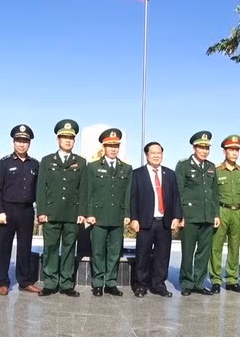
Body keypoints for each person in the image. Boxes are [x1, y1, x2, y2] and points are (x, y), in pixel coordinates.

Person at [37, 120, 87, 297]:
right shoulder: (47, 161)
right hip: (51, 213)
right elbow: (41, 188)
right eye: (64, 137)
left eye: (71, 138)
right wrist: (41, 211)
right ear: (58, 139)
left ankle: (66, 284)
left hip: (72, 214)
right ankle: (50, 283)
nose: (68, 140)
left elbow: (83, 189)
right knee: (50, 248)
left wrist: (82, 212)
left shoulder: (80, 162)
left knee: (69, 249)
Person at [129, 142, 183, 298]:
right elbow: (132, 198)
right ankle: (141, 285)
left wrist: (176, 217)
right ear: (147, 155)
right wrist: (134, 218)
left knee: (162, 255)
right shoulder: (137, 174)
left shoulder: (170, 174)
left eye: (159, 153)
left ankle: (158, 284)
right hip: (145, 221)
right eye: (153, 153)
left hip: (164, 221)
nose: (156, 155)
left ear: (162, 154)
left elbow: (176, 197)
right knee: (142, 255)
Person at [0, 124, 41, 295]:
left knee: (24, 247)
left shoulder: (35, 165)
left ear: (29, 144)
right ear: (13, 142)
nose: (22, 144)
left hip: (27, 211)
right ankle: (2, 282)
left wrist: (39, 211)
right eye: (19, 141)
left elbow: (38, 191)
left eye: (25, 141)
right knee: (3, 247)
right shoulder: (4, 163)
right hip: (7, 210)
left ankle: (24, 281)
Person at [84, 128, 132, 297]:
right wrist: (89, 213)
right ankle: (98, 283)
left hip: (117, 217)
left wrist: (127, 214)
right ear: (103, 147)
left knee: (114, 251)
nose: (113, 149)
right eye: (110, 146)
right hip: (98, 216)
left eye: (116, 146)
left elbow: (127, 194)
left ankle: (111, 282)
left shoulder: (126, 168)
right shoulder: (93, 167)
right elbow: (88, 192)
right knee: (97, 250)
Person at [175, 131, 219, 296]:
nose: (204, 151)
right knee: (188, 251)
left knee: (204, 252)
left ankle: (199, 283)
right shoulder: (184, 165)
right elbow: (178, 191)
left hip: (207, 216)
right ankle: (186, 282)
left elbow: (215, 193)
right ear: (194, 147)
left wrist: (216, 214)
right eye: (201, 147)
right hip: (190, 216)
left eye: (207, 148)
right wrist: (180, 216)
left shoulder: (211, 167)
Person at [209, 134, 240, 293]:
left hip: (238, 212)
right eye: (231, 150)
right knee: (216, 247)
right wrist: (215, 214)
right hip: (221, 211)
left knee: (235, 247)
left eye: (236, 150)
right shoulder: (217, 171)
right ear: (224, 151)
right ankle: (215, 280)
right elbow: (213, 194)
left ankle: (232, 280)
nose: (234, 153)